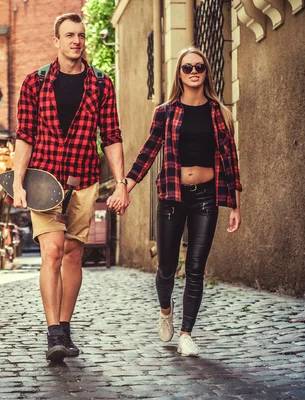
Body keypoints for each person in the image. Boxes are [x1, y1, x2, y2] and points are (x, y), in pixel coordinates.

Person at [111, 47, 242, 357]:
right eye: (187, 67)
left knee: (196, 267)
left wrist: (235, 204)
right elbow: (148, 151)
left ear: (206, 71)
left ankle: (186, 333)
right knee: (167, 267)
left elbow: (230, 158)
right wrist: (125, 186)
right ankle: (165, 310)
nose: (193, 71)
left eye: (198, 66)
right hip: (172, 196)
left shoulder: (218, 112)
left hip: (206, 198)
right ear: (179, 74)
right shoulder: (166, 112)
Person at [13, 12, 129, 362]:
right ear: (57, 41)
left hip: (84, 181)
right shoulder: (35, 83)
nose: (76, 40)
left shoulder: (101, 84)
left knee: (73, 254)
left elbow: (111, 136)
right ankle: (53, 335)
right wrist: (17, 181)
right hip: (45, 181)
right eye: (69, 35)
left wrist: (121, 183)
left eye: (80, 35)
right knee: (51, 251)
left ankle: (64, 327)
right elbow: (25, 136)